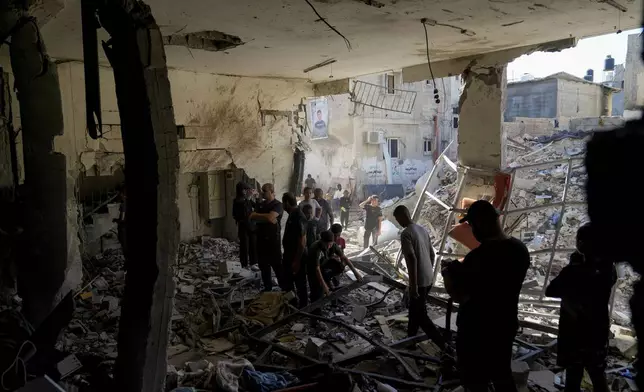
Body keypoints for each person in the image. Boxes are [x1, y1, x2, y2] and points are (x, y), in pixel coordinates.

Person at [442, 200, 530, 392]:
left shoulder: (478, 258)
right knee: (502, 375)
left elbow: (459, 295)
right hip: (504, 326)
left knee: (474, 380)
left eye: (471, 225)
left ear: (480, 224)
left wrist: (447, 274)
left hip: (476, 331)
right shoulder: (520, 250)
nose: (471, 230)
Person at [546, 223, 615, 392]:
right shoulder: (608, 269)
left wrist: (572, 266)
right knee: (598, 375)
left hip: (574, 332)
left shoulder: (573, 273)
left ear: (582, 244)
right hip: (597, 331)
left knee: (573, 376)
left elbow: (551, 290)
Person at [393, 205, 446, 350]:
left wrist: (414, 285)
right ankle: (411, 339)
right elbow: (432, 255)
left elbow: (411, 258)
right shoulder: (422, 230)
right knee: (414, 310)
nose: (398, 222)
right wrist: (428, 272)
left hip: (419, 282)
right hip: (428, 279)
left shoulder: (406, 234)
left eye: (397, 219)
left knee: (421, 315)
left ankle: (444, 345)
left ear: (403, 216)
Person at [307, 231, 361, 303]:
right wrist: (324, 285)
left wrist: (356, 273)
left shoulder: (333, 245)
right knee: (317, 292)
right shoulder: (315, 249)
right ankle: (315, 306)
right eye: (327, 245)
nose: (329, 247)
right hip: (313, 269)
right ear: (322, 241)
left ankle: (328, 279)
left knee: (341, 265)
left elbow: (345, 258)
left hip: (324, 264)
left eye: (330, 244)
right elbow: (317, 269)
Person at [250, 183, 284, 291]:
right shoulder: (260, 204)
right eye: (262, 190)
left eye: (264, 191)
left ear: (271, 191)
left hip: (273, 240)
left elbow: (270, 217)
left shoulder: (278, 205)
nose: (262, 193)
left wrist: (262, 217)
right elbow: (252, 217)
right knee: (264, 266)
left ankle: (284, 289)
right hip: (261, 239)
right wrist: (266, 217)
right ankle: (267, 288)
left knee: (277, 266)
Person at [281, 192, 309, 308]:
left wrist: (296, 261)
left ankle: (303, 307)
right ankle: (292, 305)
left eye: (283, 203)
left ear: (286, 203)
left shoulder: (298, 216)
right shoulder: (292, 214)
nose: (283, 206)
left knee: (300, 282)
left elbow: (302, 242)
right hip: (290, 255)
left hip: (297, 256)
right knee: (288, 281)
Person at [232, 182, 257, 268]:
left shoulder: (247, 200)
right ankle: (244, 264)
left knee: (253, 245)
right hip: (243, 226)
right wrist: (248, 198)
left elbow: (257, 206)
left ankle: (254, 263)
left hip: (251, 226)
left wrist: (256, 198)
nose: (248, 191)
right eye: (246, 190)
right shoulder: (237, 201)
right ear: (242, 191)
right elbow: (241, 213)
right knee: (244, 246)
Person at [113, 184, 127, 257]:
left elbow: (122, 219)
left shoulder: (123, 205)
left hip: (123, 228)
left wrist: (115, 220)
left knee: (124, 245)